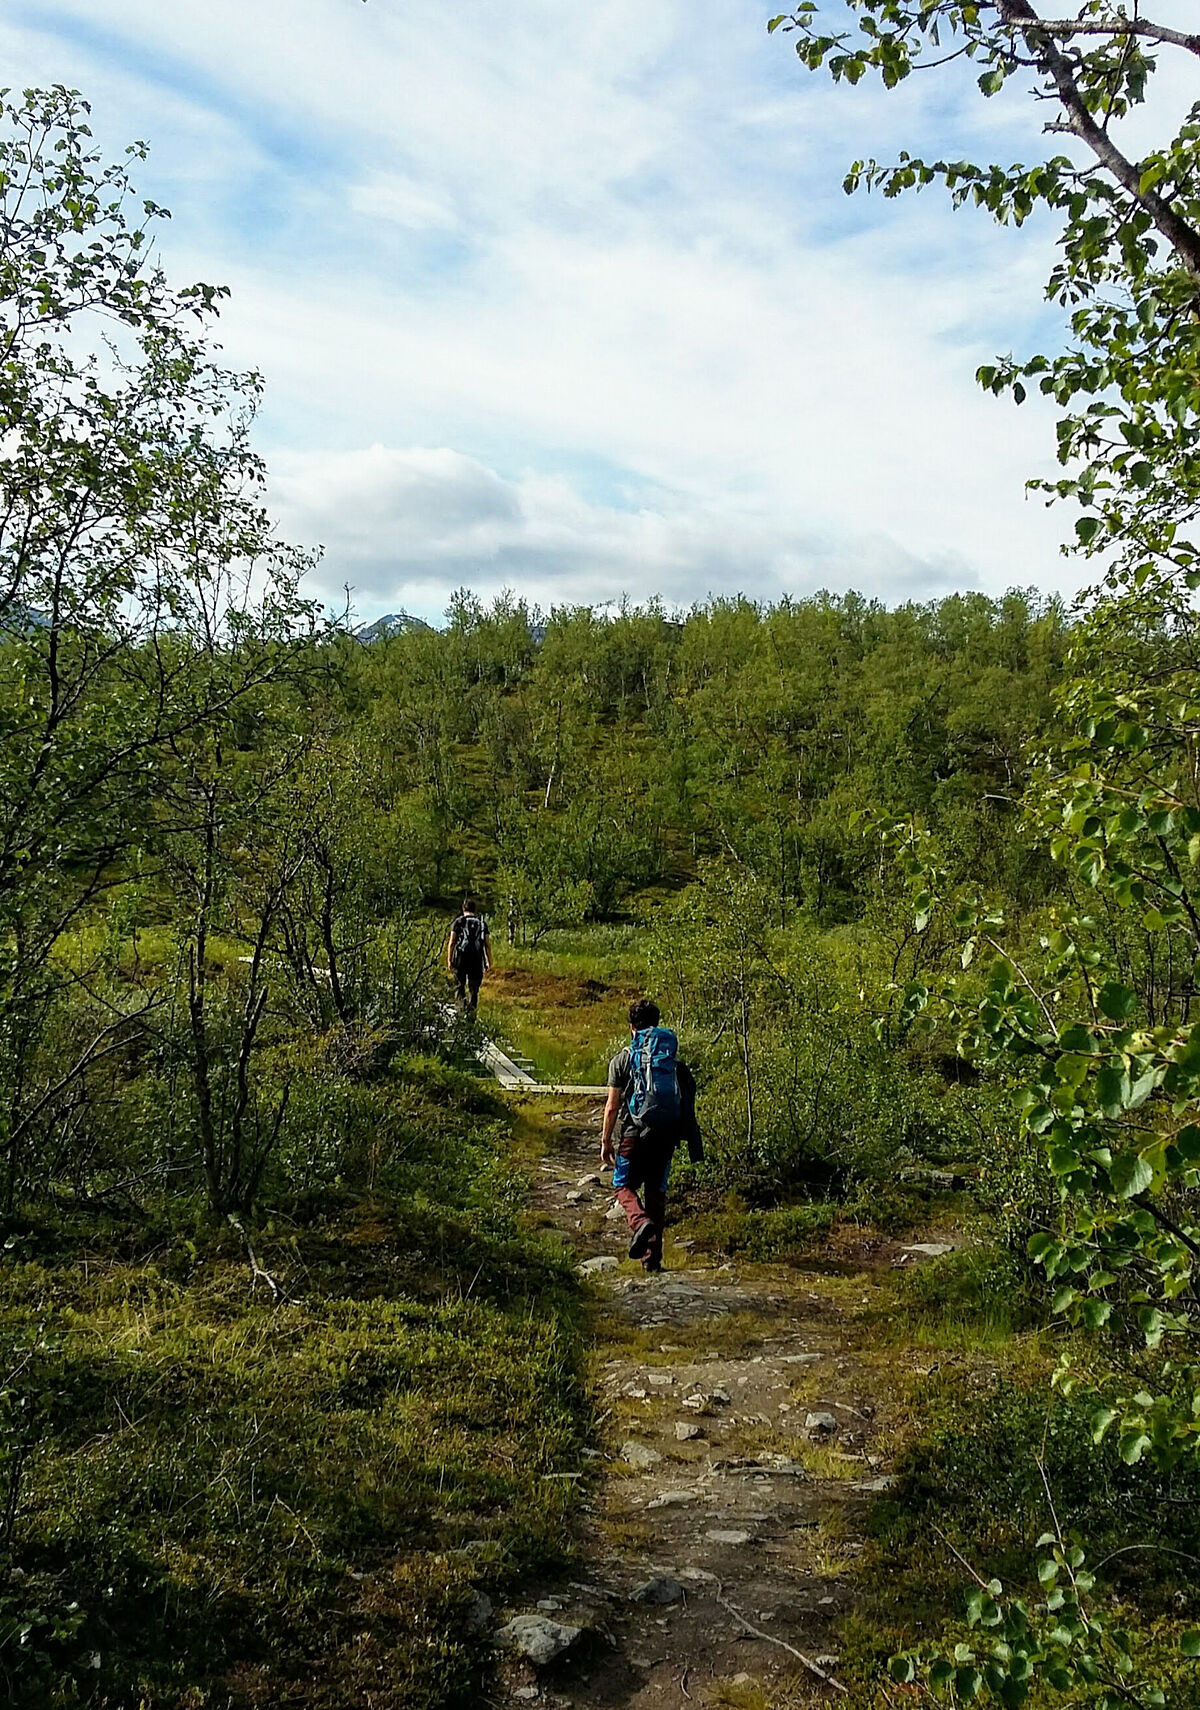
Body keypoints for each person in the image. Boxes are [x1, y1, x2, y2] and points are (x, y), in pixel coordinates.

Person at [600, 997, 699, 1273]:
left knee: (622, 1185)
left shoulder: (622, 1060)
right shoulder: (671, 1063)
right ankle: (652, 1261)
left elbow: (612, 1107)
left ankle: (640, 1222)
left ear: (632, 1027)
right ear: (656, 1025)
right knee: (656, 1190)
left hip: (634, 1132)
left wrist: (606, 1141)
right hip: (667, 1133)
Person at [447, 897, 490, 1010]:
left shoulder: (458, 922)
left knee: (459, 986)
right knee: (474, 990)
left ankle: (460, 1011)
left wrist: (450, 960)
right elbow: (487, 944)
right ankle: (471, 1015)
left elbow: (452, 943)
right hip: (476, 959)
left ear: (463, 909)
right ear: (474, 910)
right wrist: (488, 961)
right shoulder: (482, 924)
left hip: (461, 958)